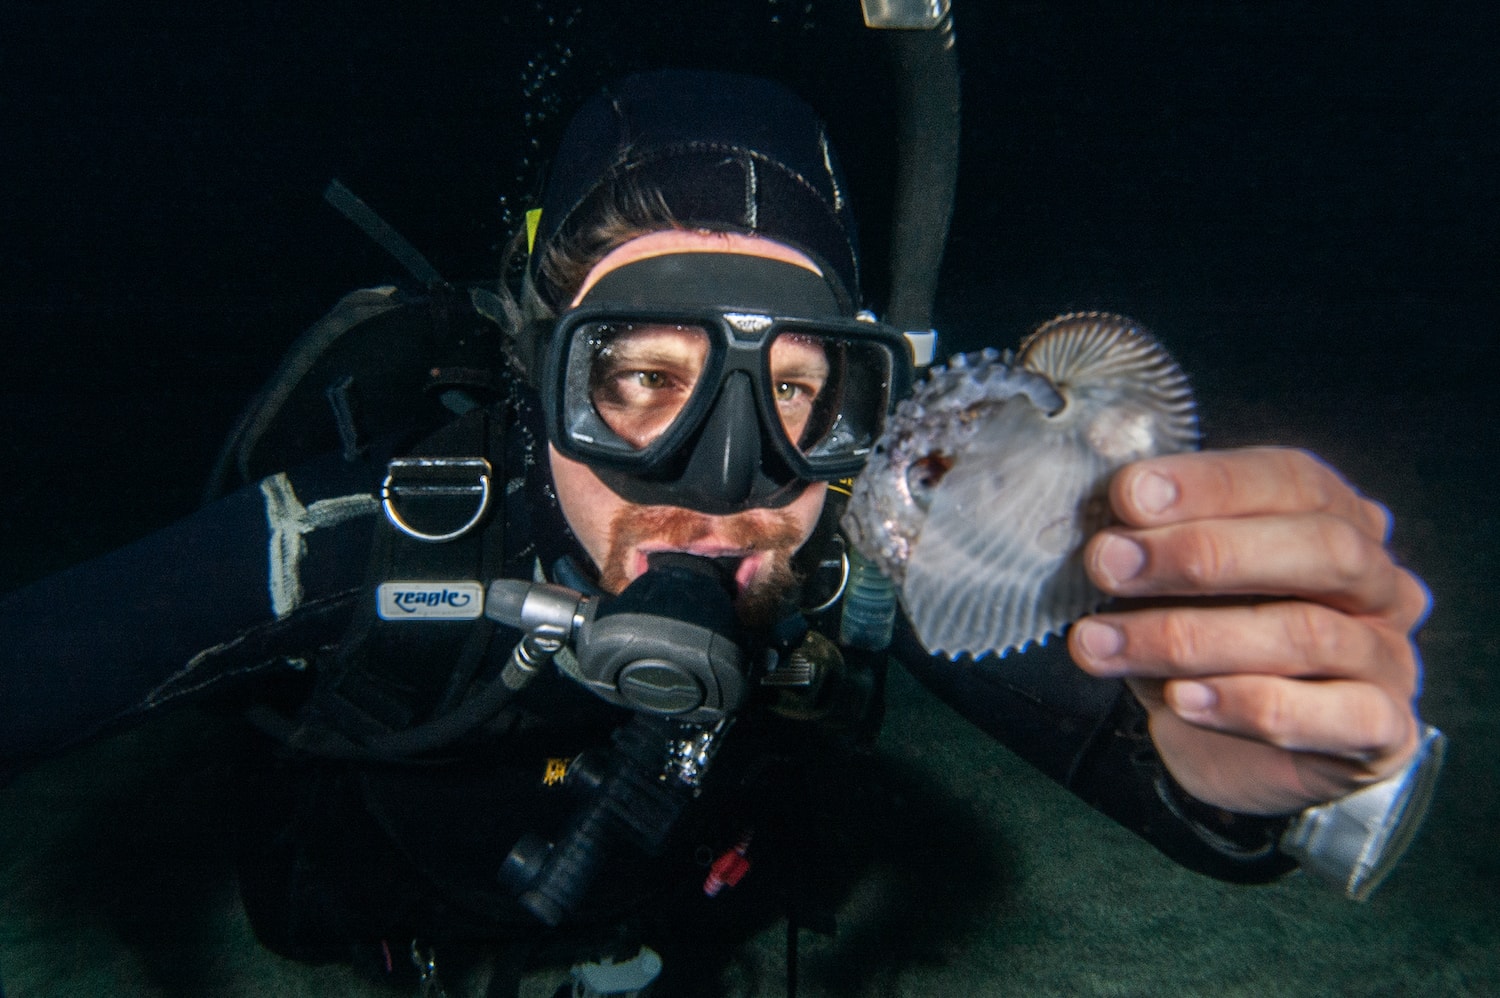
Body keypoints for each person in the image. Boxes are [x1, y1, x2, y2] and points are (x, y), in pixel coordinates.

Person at [0, 69, 1439, 993]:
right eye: (639, 379)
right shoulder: (362, 537)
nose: (728, 479)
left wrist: (1260, 767)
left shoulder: (858, 559)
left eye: (799, 393)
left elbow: (1181, 753)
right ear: (541, 372)